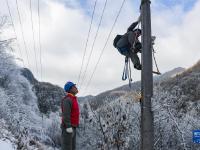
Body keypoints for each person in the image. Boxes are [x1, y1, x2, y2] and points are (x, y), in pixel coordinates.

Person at [61, 81, 80, 150]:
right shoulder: (67, 100)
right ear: (70, 89)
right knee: (67, 147)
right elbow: (66, 115)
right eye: (74, 86)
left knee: (72, 147)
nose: (76, 88)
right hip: (68, 128)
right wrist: (68, 127)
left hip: (73, 127)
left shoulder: (73, 99)